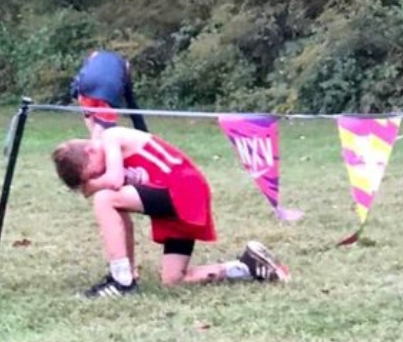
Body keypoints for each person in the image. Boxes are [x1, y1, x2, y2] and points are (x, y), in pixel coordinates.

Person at [51, 126, 290, 297]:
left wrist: (90, 187)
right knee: (174, 280)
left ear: (90, 151)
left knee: (104, 198)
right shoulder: (103, 154)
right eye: (93, 177)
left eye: (92, 173)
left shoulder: (110, 137)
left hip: (181, 190)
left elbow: (113, 181)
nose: (96, 177)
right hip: (178, 198)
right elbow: (121, 214)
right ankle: (247, 266)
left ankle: (120, 279)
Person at [70, 50, 148, 139]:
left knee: (89, 116)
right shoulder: (123, 65)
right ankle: (96, 146)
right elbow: (131, 102)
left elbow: (79, 77)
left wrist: (75, 92)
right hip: (108, 90)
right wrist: (143, 131)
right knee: (104, 125)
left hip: (85, 87)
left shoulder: (95, 56)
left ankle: (95, 143)